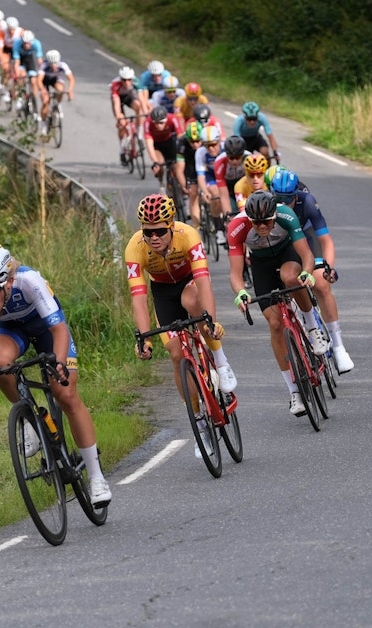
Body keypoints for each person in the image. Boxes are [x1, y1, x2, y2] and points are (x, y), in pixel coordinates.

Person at [0, 243, 111, 508]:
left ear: (9, 281)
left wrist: (59, 364)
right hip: (8, 330)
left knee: (66, 394)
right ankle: (29, 419)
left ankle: (96, 477)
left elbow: (59, 330)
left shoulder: (28, 281)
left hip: (46, 329)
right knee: (0, 363)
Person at [126, 195, 238, 458]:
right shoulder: (134, 248)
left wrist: (210, 320)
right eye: (148, 232)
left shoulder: (188, 235)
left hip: (189, 282)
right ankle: (199, 422)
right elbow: (139, 298)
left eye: (160, 231)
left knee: (192, 302)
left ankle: (220, 361)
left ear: (171, 226)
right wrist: (144, 338)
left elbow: (204, 282)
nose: (154, 238)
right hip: (162, 291)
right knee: (176, 354)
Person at [228, 190, 329, 417]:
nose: (263, 226)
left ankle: (313, 327)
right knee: (274, 324)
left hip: (287, 253)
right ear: (249, 219)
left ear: (274, 215)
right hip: (260, 264)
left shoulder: (286, 215)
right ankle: (294, 391)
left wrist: (307, 273)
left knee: (290, 277)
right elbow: (235, 273)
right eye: (257, 223)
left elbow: (307, 255)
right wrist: (241, 293)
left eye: (267, 221)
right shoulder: (237, 227)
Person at [271, 168, 354, 372]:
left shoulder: (306, 201)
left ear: (296, 196)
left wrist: (328, 268)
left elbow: (325, 239)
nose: (283, 203)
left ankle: (338, 346)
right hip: (284, 245)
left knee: (321, 284)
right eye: (279, 199)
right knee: (286, 282)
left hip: (307, 240)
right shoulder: (268, 204)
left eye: (288, 199)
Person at [195, 124, 231, 231]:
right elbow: (201, 176)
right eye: (207, 145)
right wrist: (205, 192)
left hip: (225, 175)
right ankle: (218, 227)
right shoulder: (200, 152)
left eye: (213, 144)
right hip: (211, 176)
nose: (210, 148)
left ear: (219, 141)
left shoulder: (227, 148)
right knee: (216, 196)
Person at [110, 65, 147, 166]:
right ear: (120, 79)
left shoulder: (136, 81)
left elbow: (141, 99)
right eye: (124, 80)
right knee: (122, 123)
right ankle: (122, 150)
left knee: (139, 107)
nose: (126, 82)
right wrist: (119, 116)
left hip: (128, 97)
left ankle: (139, 137)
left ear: (132, 79)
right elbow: (116, 102)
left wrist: (145, 113)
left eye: (129, 80)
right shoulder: (115, 84)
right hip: (118, 98)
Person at [145, 104, 183, 195]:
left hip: (169, 142)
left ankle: (176, 185)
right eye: (156, 123)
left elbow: (180, 137)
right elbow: (149, 143)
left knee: (177, 166)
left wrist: (182, 153)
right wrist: (155, 162)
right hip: (156, 145)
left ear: (166, 120)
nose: (158, 126)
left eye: (161, 123)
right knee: (160, 163)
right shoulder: (148, 122)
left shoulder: (172, 119)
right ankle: (161, 182)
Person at [13, 29, 45, 131]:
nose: (27, 45)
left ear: (32, 41)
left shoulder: (36, 44)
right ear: (22, 41)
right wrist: (17, 74)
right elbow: (16, 62)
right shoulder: (17, 44)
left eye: (29, 43)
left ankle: (34, 98)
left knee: (33, 80)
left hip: (30, 60)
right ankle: (20, 97)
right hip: (21, 60)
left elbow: (40, 61)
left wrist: (41, 73)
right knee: (21, 76)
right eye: (25, 43)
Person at [40, 49, 74, 131]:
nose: (54, 66)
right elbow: (39, 80)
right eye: (51, 64)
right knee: (45, 101)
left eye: (56, 63)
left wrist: (70, 90)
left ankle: (57, 104)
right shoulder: (44, 65)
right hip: (45, 81)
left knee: (60, 89)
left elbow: (71, 79)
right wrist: (43, 90)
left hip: (55, 79)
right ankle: (43, 123)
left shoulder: (63, 65)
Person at [178, 120, 203, 227]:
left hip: (203, 164)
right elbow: (179, 168)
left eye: (198, 141)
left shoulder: (206, 142)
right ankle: (196, 226)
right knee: (193, 194)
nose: (195, 144)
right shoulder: (182, 143)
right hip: (190, 165)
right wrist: (183, 184)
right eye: (192, 142)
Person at [215, 135, 249, 212]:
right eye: (231, 158)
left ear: (242, 154)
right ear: (227, 155)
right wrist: (228, 215)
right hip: (228, 187)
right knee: (232, 210)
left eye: (237, 157)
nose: (234, 161)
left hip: (244, 185)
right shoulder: (219, 163)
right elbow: (223, 194)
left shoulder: (248, 158)